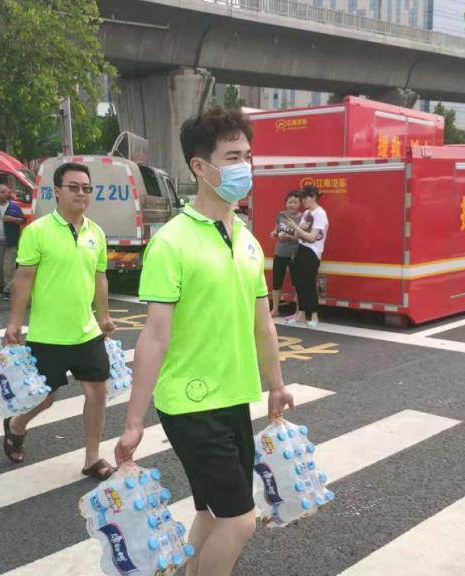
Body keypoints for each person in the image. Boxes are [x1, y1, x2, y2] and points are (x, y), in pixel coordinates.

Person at [115, 106, 294, 576]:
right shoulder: (171, 242)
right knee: (240, 521)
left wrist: (276, 384)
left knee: (212, 514)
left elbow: (263, 324)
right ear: (200, 166)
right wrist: (134, 422)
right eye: (232, 157)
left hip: (234, 396)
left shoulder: (248, 240)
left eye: (247, 156)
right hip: (190, 402)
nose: (244, 167)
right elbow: (154, 336)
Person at [1, 162, 116, 480]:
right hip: (48, 334)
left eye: (86, 188)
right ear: (57, 191)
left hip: (86, 332)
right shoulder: (37, 231)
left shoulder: (96, 233)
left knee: (97, 391)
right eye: (74, 187)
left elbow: (100, 277)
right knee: (46, 396)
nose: (81, 193)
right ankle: (16, 425)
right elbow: (23, 278)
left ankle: (92, 458)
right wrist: (14, 323)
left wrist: (104, 315)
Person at [285, 184, 328, 327]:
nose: (303, 201)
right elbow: (298, 235)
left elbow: (312, 237)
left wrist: (296, 227)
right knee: (299, 283)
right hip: (301, 249)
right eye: (302, 198)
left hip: (312, 251)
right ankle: (301, 314)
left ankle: (314, 316)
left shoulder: (320, 213)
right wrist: (295, 229)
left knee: (309, 283)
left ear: (313, 197)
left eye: (305, 198)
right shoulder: (306, 213)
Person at [270, 189, 301, 319]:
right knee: (276, 282)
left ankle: (298, 311)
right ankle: (275, 309)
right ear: (286, 203)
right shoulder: (281, 215)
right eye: (289, 202)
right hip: (280, 252)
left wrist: (290, 237)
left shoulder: (303, 218)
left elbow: (303, 237)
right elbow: (276, 230)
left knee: (297, 284)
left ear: (300, 204)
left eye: (295, 202)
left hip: (295, 254)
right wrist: (274, 234)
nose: (292, 205)